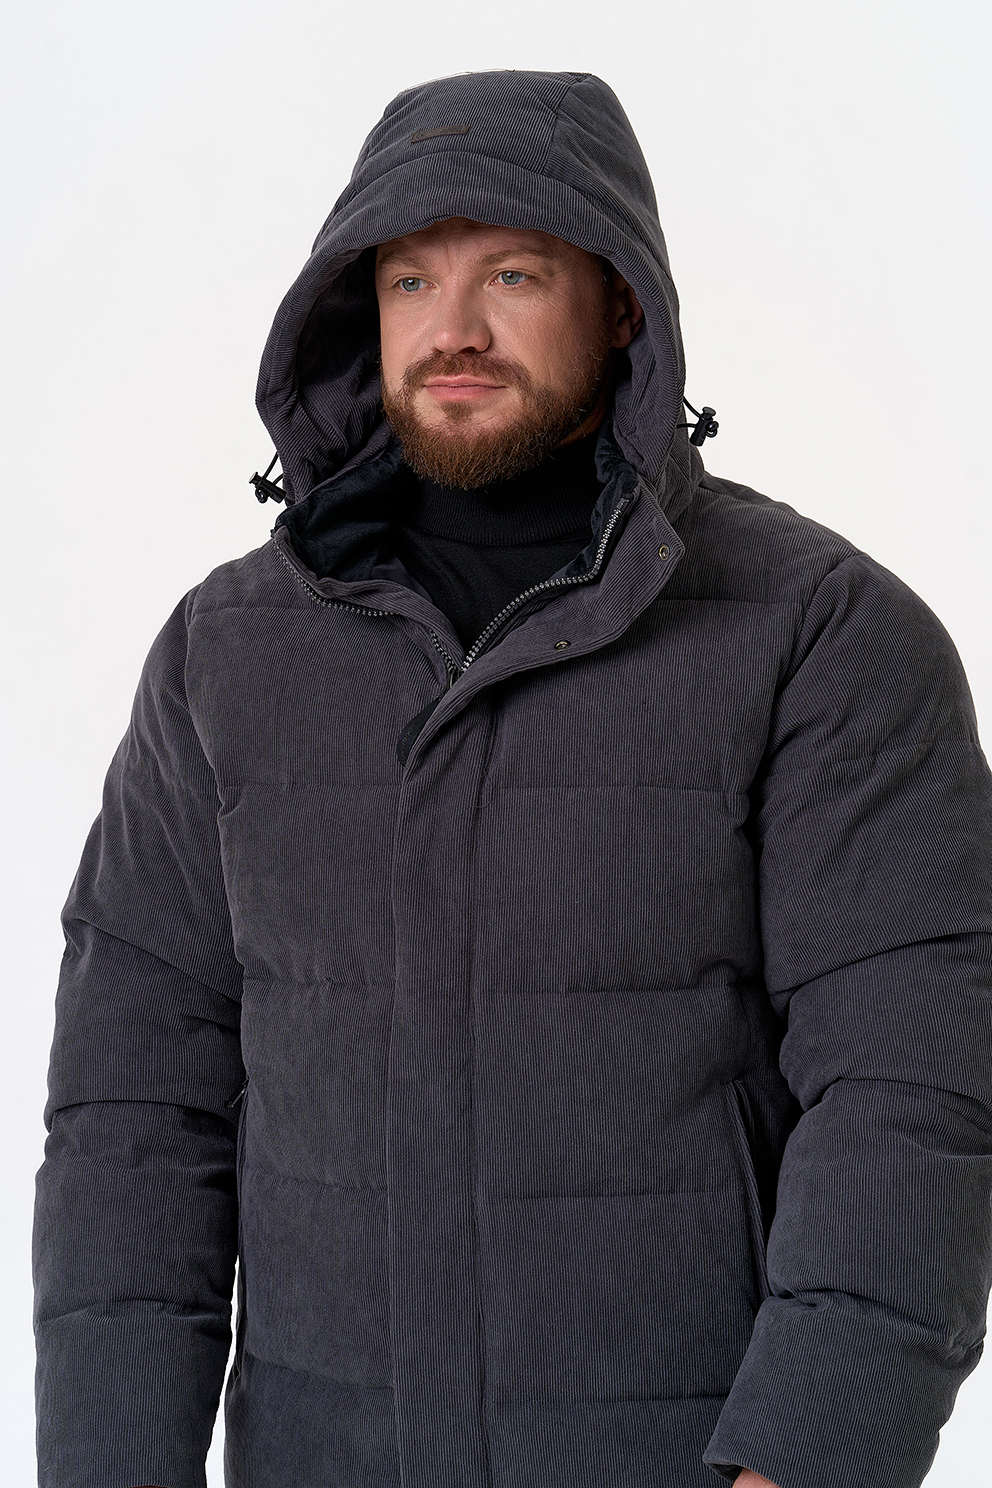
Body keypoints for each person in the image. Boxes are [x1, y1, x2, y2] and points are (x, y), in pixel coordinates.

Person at [33, 68, 992, 1488]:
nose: (455, 328)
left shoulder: (817, 633)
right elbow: (134, 1110)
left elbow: (911, 1082)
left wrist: (811, 1452)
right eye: (411, 280)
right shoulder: (226, 652)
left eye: (516, 274)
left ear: (623, 307)